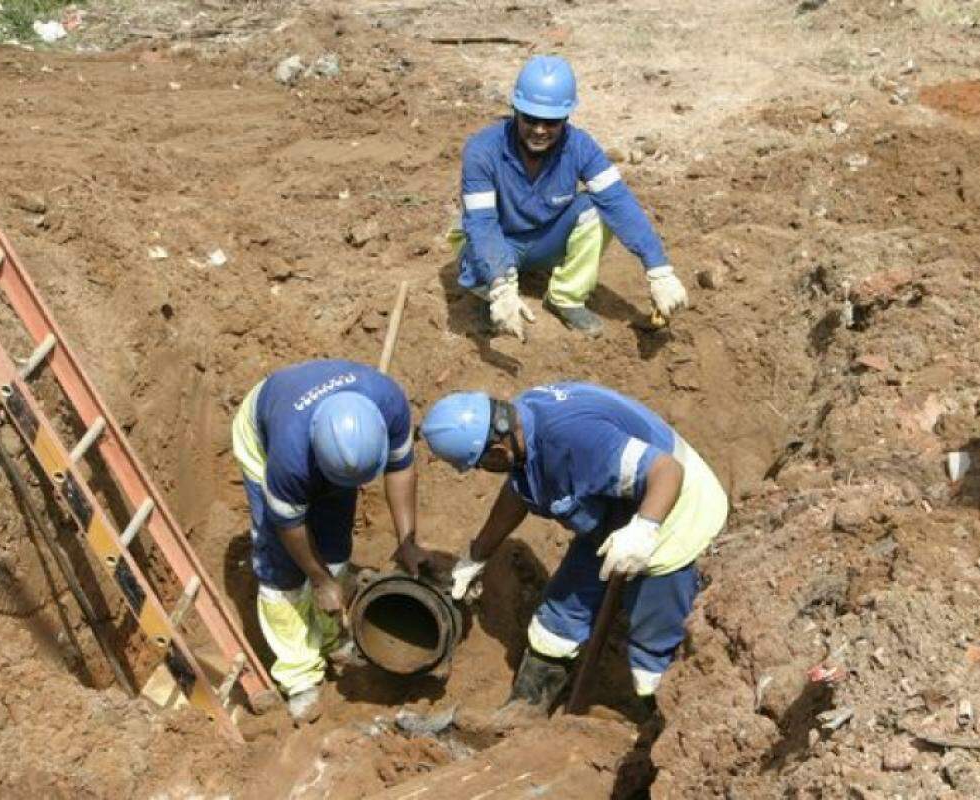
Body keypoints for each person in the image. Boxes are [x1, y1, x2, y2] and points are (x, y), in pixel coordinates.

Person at [419, 382, 727, 715]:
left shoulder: (574, 438)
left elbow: (666, 470)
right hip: (613, 510)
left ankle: (654, 724)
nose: (483, 472)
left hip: (672, 511)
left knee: (653, 646)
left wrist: (643, 530)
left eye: (480, 465)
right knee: (559, 617)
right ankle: (526, 708)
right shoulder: (520, 428)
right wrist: (476, 555)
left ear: (497, 453)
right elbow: (520, 490)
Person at [232, 359, 428, 722]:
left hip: (326, 448)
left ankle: (330, 637)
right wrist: (319, 579)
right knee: (283, 571)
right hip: (261, 435)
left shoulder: (388, 404)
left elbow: (401, 468)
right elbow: (288, 524)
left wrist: (408, 540)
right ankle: (298, 673)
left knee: (334, 546)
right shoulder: (288, 459)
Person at [449, 54, 688, 340]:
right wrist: (500, 285)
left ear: (566, 117)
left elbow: (619, 202)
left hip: (546, 240)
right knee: (474, 258)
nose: (539, 130)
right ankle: (496, 296)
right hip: (498, 239)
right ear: (515, 110)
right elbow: (483, 224)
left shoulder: (580, 147)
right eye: (530, 119)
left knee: (598, 208)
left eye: (551, 122)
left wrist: (659, 270)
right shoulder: (482, 150)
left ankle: (566, 297)